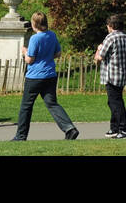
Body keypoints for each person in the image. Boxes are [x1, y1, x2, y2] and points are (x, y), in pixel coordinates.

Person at [12, 11, 79, 141]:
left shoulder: (35, 38)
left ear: (34, 24)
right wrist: (46, 57)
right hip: (50, 74)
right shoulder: (52, 35)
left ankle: (21, 135)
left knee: (26, 106)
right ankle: (69, 128)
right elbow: (58, 53)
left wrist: (25, 52)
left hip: (35, 76)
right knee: (52, 103)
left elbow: (30, 60)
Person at [94, 14, 126, 138]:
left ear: (111, 26)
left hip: (111, 74)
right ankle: (114, 128)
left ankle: (124, 129)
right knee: (114, 101)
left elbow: (99, 57)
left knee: (115, 102)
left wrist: (98, 49)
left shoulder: (110, 38)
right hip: (122, 74)